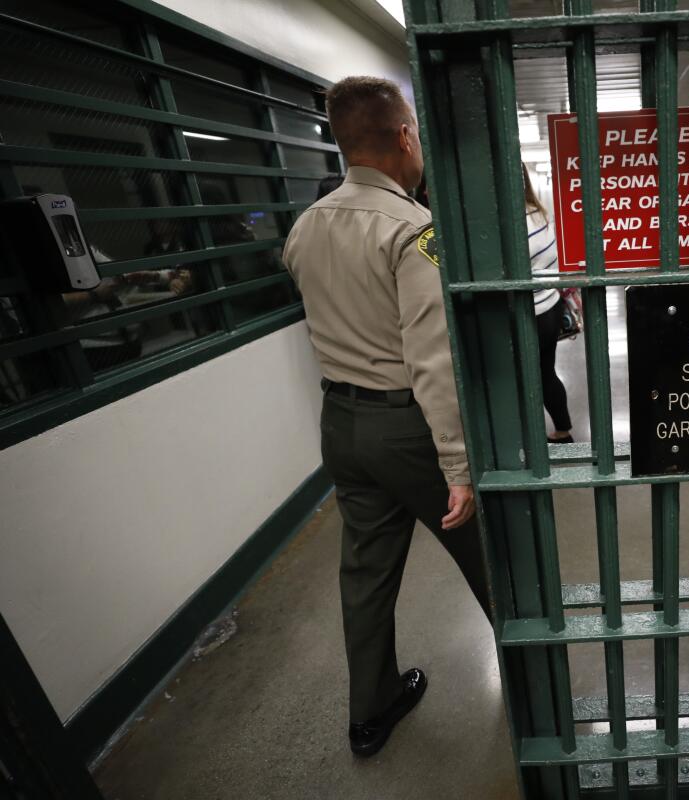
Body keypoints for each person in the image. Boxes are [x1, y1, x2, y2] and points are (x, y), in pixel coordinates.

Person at [282, 76, 490, 759]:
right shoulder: (412, 230)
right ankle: (535, 680)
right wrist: (457, 467)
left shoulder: (307, 225)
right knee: (494, 559)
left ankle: (369, 713)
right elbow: (432, 362)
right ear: (405, 135)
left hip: (341, 423)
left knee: (365, 574)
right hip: (408, 431)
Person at [524, 164, 573, 444]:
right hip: (551, 308)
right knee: (545, 372)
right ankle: (563, 429)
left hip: (528, 314)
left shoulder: (511, 224)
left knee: (520, 378)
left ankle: (524, 440)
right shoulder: (541, 214)